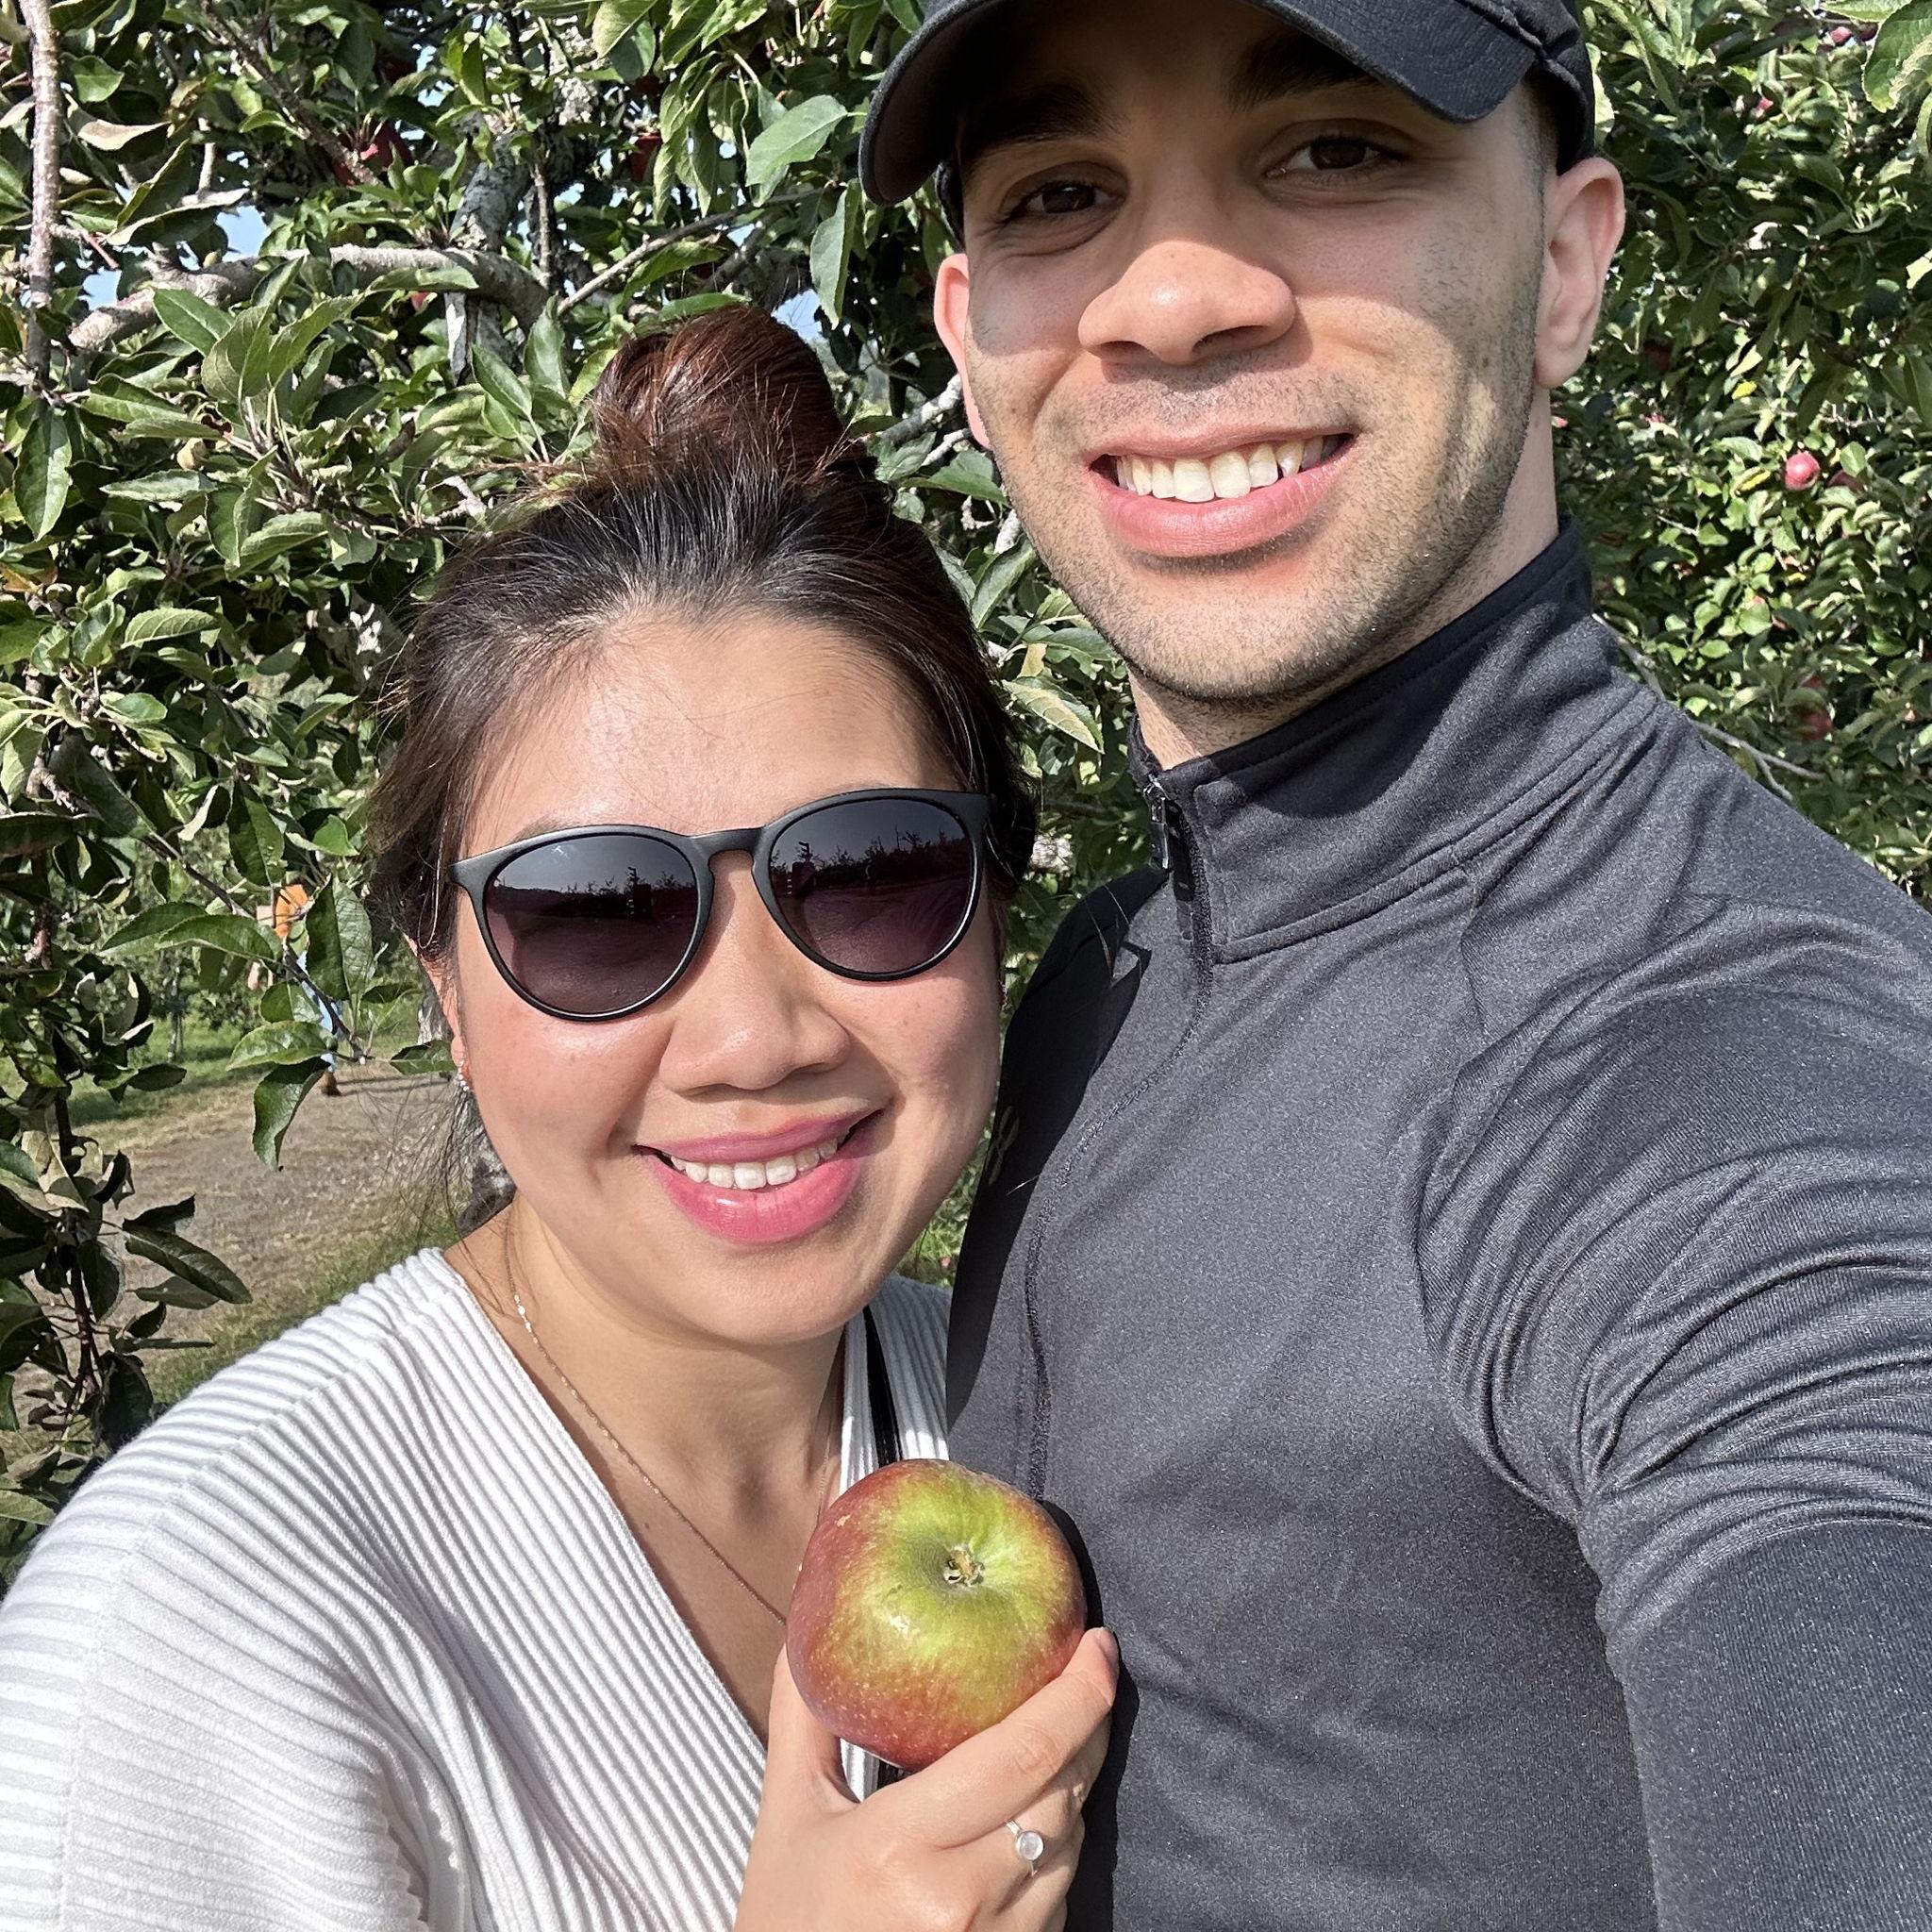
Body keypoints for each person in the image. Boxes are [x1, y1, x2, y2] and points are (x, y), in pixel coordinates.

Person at [860, 1, 1932, 1926]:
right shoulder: (1101, 978)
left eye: (1336, 151)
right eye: (1062, 192)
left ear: (1567, 259)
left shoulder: (1729, 1079)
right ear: (968, 333)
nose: (1170, 298)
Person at [0, 307, 1116, 1932]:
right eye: (594, 909)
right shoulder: (188, 1644)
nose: (753, 1035)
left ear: (994, 908)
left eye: (871, 872)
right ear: (444, 984)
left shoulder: (1036, 1421)